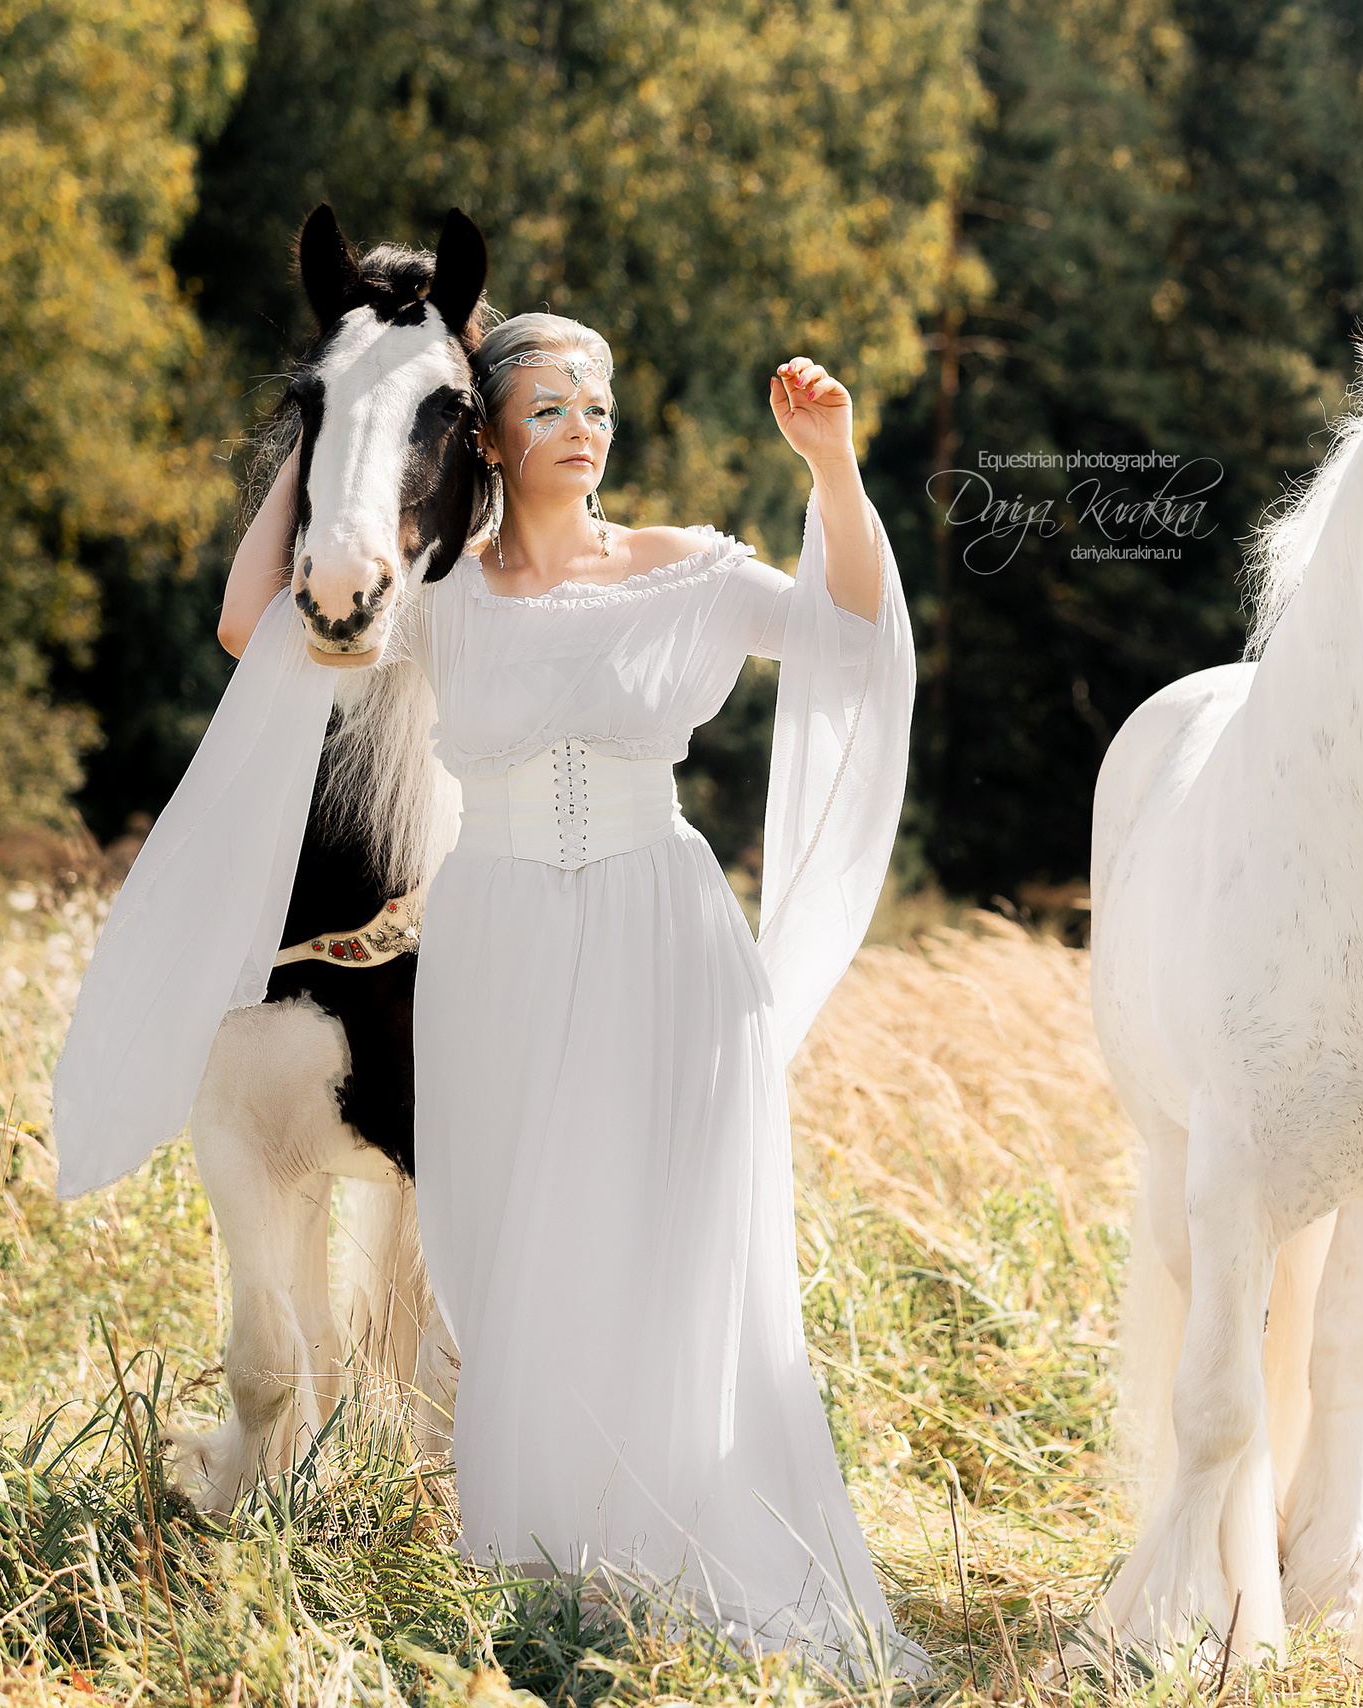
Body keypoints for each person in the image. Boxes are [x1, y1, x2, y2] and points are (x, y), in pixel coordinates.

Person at [217, 313, 922, 1674]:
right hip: (497, 951)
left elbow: (850, 632)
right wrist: (315, 449)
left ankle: (691, 1557)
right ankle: (553, 1573)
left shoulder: (687, 570)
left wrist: (832, 467)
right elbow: (255, 623)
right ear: (486, 438)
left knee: (672, 1243)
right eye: (548, 406)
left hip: (670, 942)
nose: (583, 427)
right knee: (511, 1251)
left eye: (596, 405)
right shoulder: (437, 598)